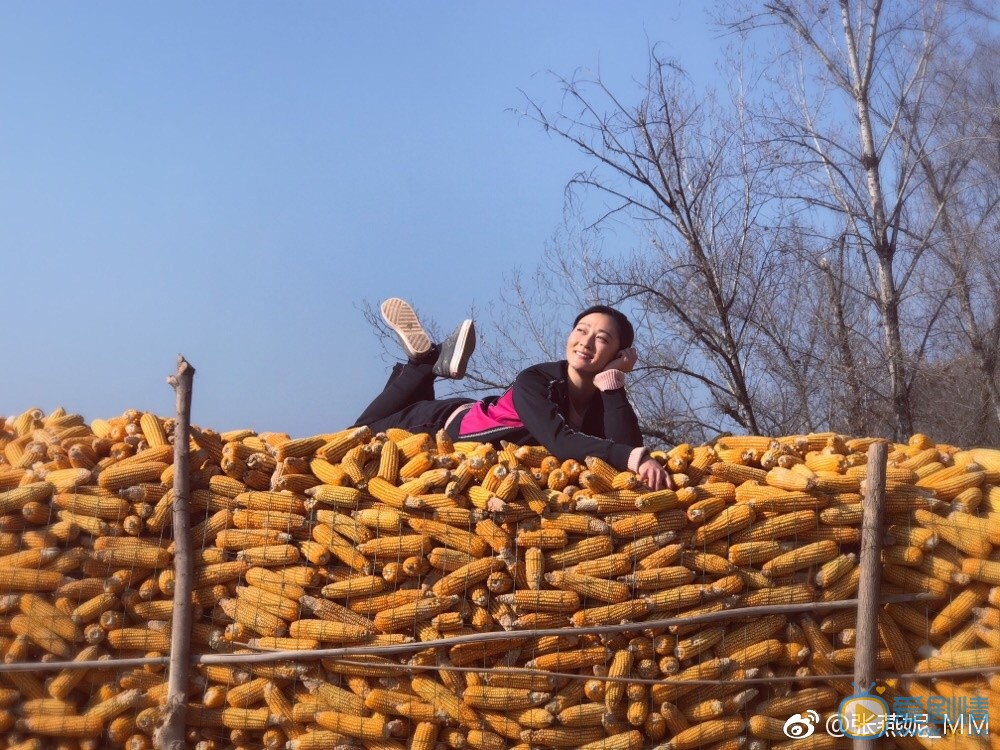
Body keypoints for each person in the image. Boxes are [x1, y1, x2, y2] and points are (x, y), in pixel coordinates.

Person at [352, 298, 670, 490]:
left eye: (602, 338)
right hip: (441, 425)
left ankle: (425, 362)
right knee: (359, 433)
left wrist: (613, 385)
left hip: (473, 414)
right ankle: (423, 364)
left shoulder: (602, 401)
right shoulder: (536, 380)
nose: (586, 342)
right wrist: (635, 458)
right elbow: (559, 440)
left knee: (371, 423)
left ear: (619, 353)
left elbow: (624, 449)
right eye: (581, 330)